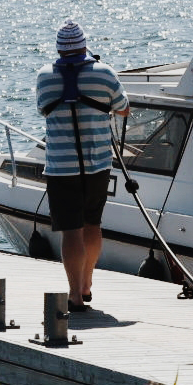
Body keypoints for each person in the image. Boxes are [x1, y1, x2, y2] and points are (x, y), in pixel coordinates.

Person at [36, 19, 128, 312]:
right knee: (93, 224)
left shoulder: (45, 76)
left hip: (61, 168)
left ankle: (74, 294)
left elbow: (42, 109)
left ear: (59, 50)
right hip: (97, 164)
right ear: (85, 46)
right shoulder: (104, 73)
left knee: (70, 231)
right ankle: (87, 285)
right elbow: (123, 108)